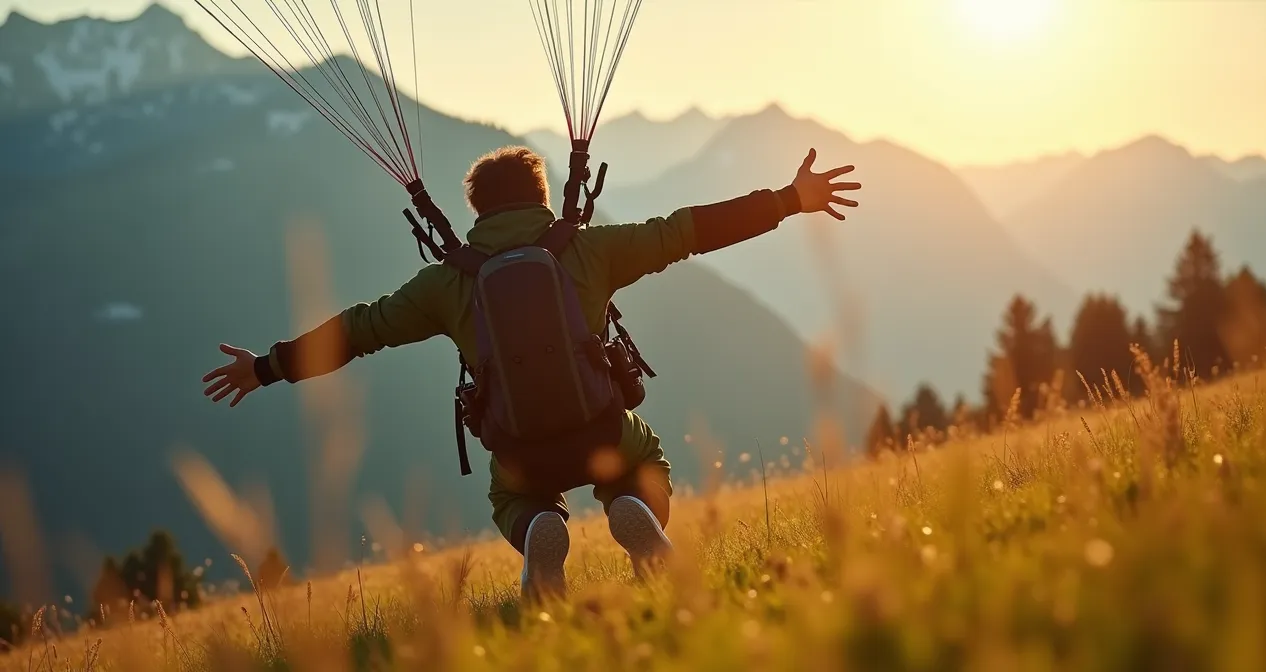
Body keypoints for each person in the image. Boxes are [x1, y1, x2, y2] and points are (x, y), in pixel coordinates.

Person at [202, 145, 860, 600]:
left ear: (477, 211)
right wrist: (789, 198)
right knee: (645, 456)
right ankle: (631, 507)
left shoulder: (445, 285)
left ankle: (537, 527)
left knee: (512, 496)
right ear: (542, 199)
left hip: (520, 452)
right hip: (601, 431)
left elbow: (360, 329)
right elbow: (686, 230)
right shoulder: (592, 249)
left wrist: (267, 366)